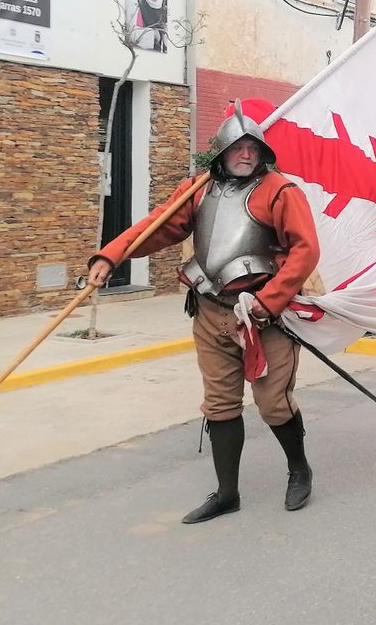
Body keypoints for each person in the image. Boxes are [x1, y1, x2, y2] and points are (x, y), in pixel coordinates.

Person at [87, 102, 320, 524]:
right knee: (219, 404)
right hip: (210, 312)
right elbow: (157, 226)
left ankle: (299, 469)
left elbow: (304, 253)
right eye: (237, 147)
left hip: (262, 317)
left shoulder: (281, 191)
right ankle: (227, 493)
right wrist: (112, 256)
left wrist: (268, 303)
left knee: (274, 403)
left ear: (262, 153)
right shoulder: (197, 189)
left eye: (253, 148)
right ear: (221, 151)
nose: (245, 154)